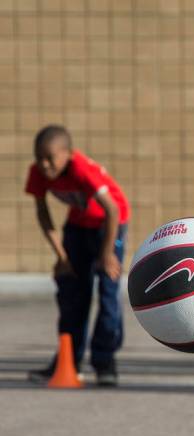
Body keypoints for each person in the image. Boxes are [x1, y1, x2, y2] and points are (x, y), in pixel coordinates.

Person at [25, 125, 130, 386]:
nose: (45, 164)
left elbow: (113, 210)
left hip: (109, 225)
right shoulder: (38, 173)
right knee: (73, 291)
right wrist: (61, 256)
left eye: (50, 157)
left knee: (107, 293)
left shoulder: (82, 169)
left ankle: (105, 361)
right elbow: (42, 213)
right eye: (39, 157)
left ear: (67, 154)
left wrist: (107, 254)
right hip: (78, 225)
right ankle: (68, 360)